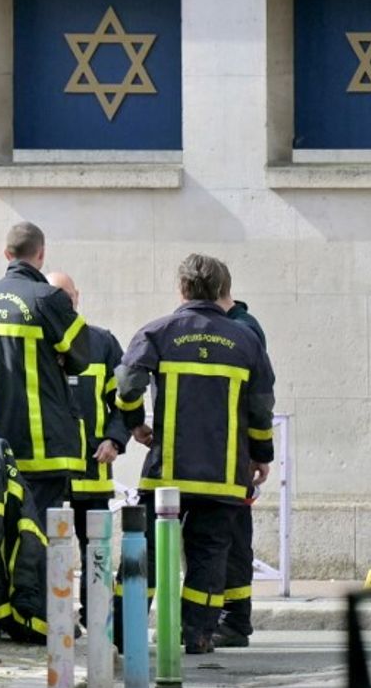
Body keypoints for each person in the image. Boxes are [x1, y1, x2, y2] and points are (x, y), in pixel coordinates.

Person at [116, 254, 276, 655]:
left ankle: (124, 633)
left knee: (147, 551)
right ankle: (198, 636)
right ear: (223, 292)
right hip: (221, 477)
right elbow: (260, 408)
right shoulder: (246, 341)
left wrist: (134, 421)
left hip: (167, 471)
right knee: (208, 557)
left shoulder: (159, 332)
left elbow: (127, 384)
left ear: (183, 289)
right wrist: (261, 454)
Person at [0, 222, 90, 518]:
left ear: (6, 253)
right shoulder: (49, 298)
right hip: (45, 445)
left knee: (5, 528)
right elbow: (81, 357)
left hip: (0, 439)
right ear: (41, 254)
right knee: (38, 537)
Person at [47, 270, 129, 622]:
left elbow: (125, 400)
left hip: (94, 469)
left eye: (67, 295)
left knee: (94, 548)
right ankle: (56, 615)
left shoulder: (102, 343)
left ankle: (94, 615)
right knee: (52, 549)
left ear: (77, 297)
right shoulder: (37, 345)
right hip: (50, 470)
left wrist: (115, 439)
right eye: (55, 297)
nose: (63, 302)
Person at [214, 274, 267, 648]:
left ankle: (234, 619)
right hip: (222, 450)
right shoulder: (238, 327)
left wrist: (258, 453)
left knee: (233, 538)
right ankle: (227, 617)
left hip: (234, 452)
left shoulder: (242, 330)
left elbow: (257, 397)